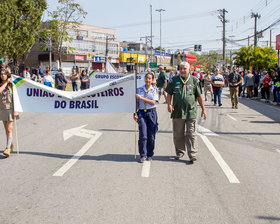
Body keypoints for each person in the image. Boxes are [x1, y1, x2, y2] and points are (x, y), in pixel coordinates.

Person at [165, 62, 206, 163]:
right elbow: (168, 93)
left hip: (191, 111)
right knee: (178, 133)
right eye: (181, 69)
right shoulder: (174, 80)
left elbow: (199, 96)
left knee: (191, 133)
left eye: (185, 69)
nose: (183, 70)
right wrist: (169, 104)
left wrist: (203, 109)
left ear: (189, 70)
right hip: (178, 111)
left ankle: (192, 153)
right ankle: (180, 151)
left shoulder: (194, 80)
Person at [133, 72, 158, 163]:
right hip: (141, 113)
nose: (148, 80)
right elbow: (137, 103)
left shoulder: (154, 90)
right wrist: (135, 113)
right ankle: (143, 154)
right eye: (146, 78)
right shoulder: (139, 89)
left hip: (151, 113)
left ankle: (150, 154)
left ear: (152, 80)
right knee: (143, 135)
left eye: (150, 78)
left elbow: (153, 102)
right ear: (144, 79)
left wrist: (141, 98)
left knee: (151, 136)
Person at [0, 69, 19, 157]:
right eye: (1, 74)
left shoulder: (12, 85)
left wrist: (16, 110)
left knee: (9, 129)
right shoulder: (2, 84)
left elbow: (16, 98)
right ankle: (10, 143)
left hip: (11, 109)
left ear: (7, 75)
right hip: (2, 109)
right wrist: (6, 83)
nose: (2, 75)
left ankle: (7, 148)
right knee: (6, 129)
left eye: (4, 74)